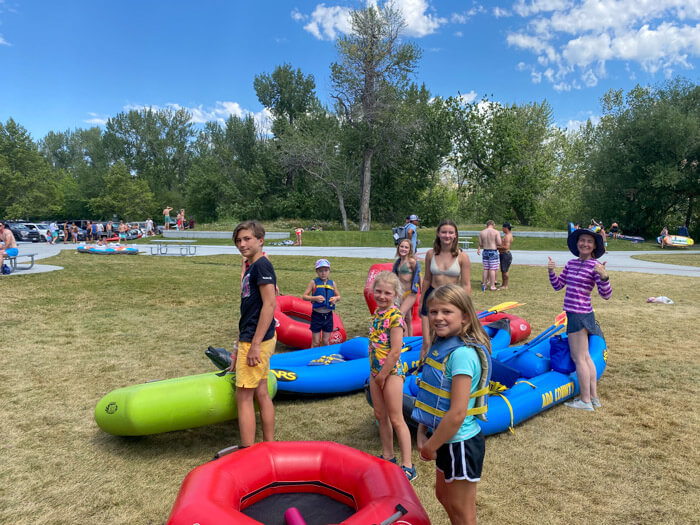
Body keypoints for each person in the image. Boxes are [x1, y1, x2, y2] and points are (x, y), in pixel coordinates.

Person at [413, 284, 491, 525]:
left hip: (461, 443)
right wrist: (422, 431)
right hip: (443, 437)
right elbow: (431, 401)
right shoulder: (441, 346)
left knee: (461, 508)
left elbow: (457, 413)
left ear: (465, 316)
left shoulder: (463, 355)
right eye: (433, 312)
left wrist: (429, 447)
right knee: (443, 496)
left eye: (447, 312)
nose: (438, 317)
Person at [548, 228, 611, 411]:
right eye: (582, 240)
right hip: (576, 314)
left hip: (580, 315)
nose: (585, 244)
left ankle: (585, 401)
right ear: (577, 244)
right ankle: (593, 397)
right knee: (585, 357)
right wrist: (552, 272)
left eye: (589, 242)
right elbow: (558, 286)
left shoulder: (595, 266)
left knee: (579, 358)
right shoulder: (571, 264)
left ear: (594, 246)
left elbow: (606, 295)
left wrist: (604, 277)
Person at [229, 221, 277, 447]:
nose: (242, 244)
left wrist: (255, 344)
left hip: (257, 339)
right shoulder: (251, 267)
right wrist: (239, 345)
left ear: (260, 240)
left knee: (243, 396)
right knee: (260, 391)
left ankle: (248, 450)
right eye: (238, 240)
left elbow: (269, 305)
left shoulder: (262, 266)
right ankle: (268, 444)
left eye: (247, 239)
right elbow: (249, 308)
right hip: (251, 336)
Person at [368, 271, 416, 482]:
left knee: (397, 418)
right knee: (380, 415)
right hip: (376, 373)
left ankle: (408, 464)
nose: (382, 296)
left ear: (395, 294)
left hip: (391, 373)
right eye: (378, 291)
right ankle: (388, 455)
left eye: (387, 293)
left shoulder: (395, 317)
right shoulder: (377, 313)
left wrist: (383, 375)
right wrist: (375, 374)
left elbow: (396, 350)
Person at [420, 219, 471, 359]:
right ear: (438, 234)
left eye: (450, 232)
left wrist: (466, 306)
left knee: (449, 340)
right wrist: (421, 300)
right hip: (432, 297)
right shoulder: (431, 254)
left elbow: (466, 284)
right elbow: (426, 279)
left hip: (451, 299)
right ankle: (422, 371)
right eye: (444, 232)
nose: (447, 235)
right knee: (426, 342)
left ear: (455, 235)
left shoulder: (462, 257)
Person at [302, 259, 341, 348]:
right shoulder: (313, 282)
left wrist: (335, 298)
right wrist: (314, 298)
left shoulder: (332, 283)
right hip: (317, 315)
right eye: (320, 271)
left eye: (326, 270)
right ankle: (314, 358)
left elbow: (339, 296)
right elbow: (304, 296)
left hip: (328, 316)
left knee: (325, 341)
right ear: (317, 271)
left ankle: (324, 359)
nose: (323, 273)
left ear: (329, 271)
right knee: (315, 342)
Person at [392, 239, 421, 337]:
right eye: (401, 246)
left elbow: (419, 277)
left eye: (406, 247)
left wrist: (423, 295)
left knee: (400, 316)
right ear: (398, 247)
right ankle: (410, 340)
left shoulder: (412, 262)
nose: (403, 249)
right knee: (408, 319)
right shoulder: (398, 262)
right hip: (400, 293)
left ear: (410, 250)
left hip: (409, 294)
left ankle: (403, 340)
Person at [476, 220, 502, 292]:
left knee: (486, 268)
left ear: (486, 225)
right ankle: (492, 286)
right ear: (493, 225)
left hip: (485, 251)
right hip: (493, 251)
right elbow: (499, 243)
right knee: (492, 269)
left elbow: (480, 244)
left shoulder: (482, 232)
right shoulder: (496, 232)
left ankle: (484, 284)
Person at [498, 223, 513, 290]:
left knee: (505, 271)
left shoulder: (507, 236)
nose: (502, 229)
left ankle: (505, 285)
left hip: (505, 254)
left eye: (502, 228)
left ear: (506, 228)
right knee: (503, 270)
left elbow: (506, 247)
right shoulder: (508, 235)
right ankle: (503, 283)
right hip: (503, 254)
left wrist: (496, 247)